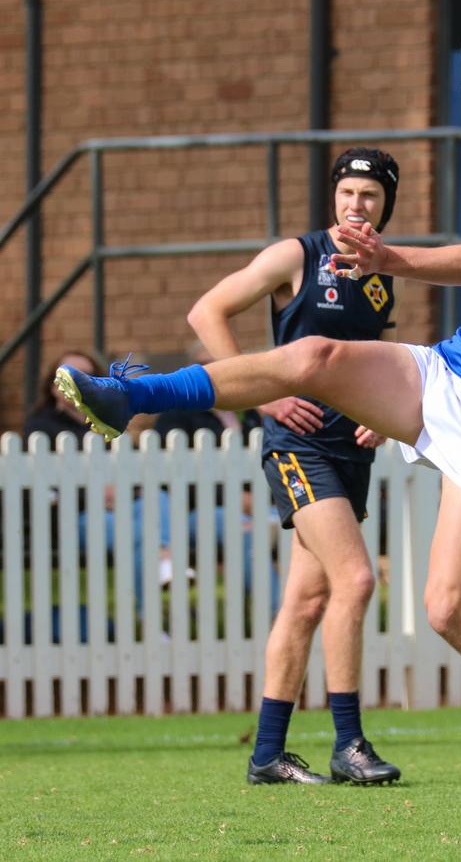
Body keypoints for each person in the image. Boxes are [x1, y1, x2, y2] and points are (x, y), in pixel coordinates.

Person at [54, 58, 461, 853]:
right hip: (453, 368)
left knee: (449, 610)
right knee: (317, 358)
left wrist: (396, 260)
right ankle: (132, 398)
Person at [185, 147, 403, 786]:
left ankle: (266, 756)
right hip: (298, 444)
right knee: (356, 579)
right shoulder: (296, 256)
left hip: (350, 448)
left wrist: (382, 414)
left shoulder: (380, 270)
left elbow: (371, 359)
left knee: (307, 600)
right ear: (333, 196)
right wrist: (263, 393)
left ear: (386, 204)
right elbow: (206, 312)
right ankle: (349, 745)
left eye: (369, 196)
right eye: (347, 193)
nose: (356, 205)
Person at [25, 350, 180, 619]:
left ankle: (161, 562)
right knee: (135, 533)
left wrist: (126, 492)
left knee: (157, 499)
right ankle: (153, 603)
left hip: (123, 506)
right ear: (52, 385)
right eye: (67, 375)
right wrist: (97, 497)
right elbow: (43, 489)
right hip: (77, 517)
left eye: (86, 375)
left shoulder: (110, 422)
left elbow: (131, 469)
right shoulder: (40, 429)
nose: (76, 381)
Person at [153, 346, 281, 616]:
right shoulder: (176, 415)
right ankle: (276, 614)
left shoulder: (250, 414)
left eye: (218, 364)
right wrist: (234, 499)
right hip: (194, 513)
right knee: (245, 531)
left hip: (257, 506)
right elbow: (172, 480)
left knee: (300, 525)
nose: (212, 372)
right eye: (202, 366)